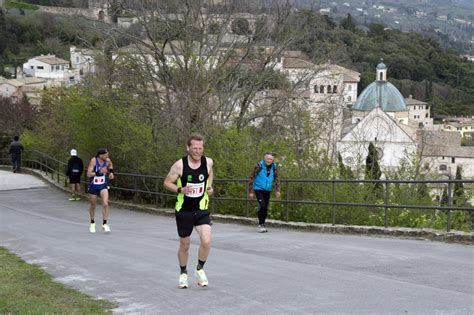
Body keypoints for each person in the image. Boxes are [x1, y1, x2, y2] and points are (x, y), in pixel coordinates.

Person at [164, 134, 214, 289]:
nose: (198, 151)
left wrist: (209, 187)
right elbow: (166, 183)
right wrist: (180, 189)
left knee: (206, 240)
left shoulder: (208, 162)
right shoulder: (179, 165)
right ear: (188, 148)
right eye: (194, 148)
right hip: (184, 210)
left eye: (200, 148)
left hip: (201, 208)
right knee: (185, 245)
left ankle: (200, 269)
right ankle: (183, 273)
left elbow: (210, 173)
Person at [248, 152, 281, 233]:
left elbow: (276, 179)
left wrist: (277, 190)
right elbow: (251, 177)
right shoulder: (259, 166)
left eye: (270, 159)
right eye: (267, 159)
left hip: (267, 189)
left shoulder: (274, 167)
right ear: (264, 158)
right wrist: (250, 191)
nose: (269, 160)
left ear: (272, 160)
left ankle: (263, 223)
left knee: (265, 207)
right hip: (258, 188)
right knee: (262, 205)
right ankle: (260, 224)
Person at [86, 148, 114, 233]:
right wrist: (98, 172)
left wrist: (111, 172)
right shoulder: (93, 161)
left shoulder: (107, 160)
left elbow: (110, 165)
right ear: (101, 155)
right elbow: (88, 174)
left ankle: (104, 224)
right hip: (93, 186)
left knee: (105, 204)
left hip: (103, 185)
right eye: (106, 155)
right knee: (93, 206)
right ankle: (92, 223)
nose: (107, 156)